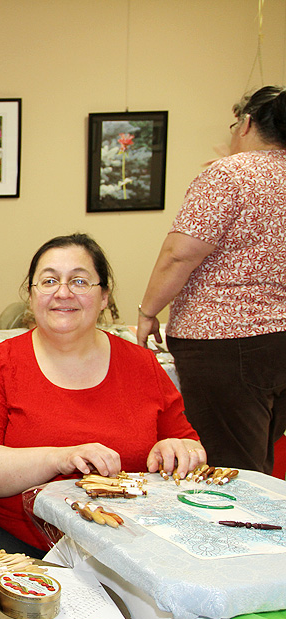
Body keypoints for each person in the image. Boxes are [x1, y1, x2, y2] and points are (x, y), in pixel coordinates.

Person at [0, 234, 204, 557]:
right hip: (9, 538)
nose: (63, 293)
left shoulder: (142, 364)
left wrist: (178, 450)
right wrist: (61, 458)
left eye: (79, 281)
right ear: (31, 295)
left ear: (104, 297)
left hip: (123, 542)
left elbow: (190, 447)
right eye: (49, 281)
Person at [138, 86, 286, 474]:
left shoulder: (229, 174)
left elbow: (179, 254)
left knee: (228, 468)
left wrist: (149, 311)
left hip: (224, 341)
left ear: (247, 123)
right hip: (279, 339)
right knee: (259, 456)